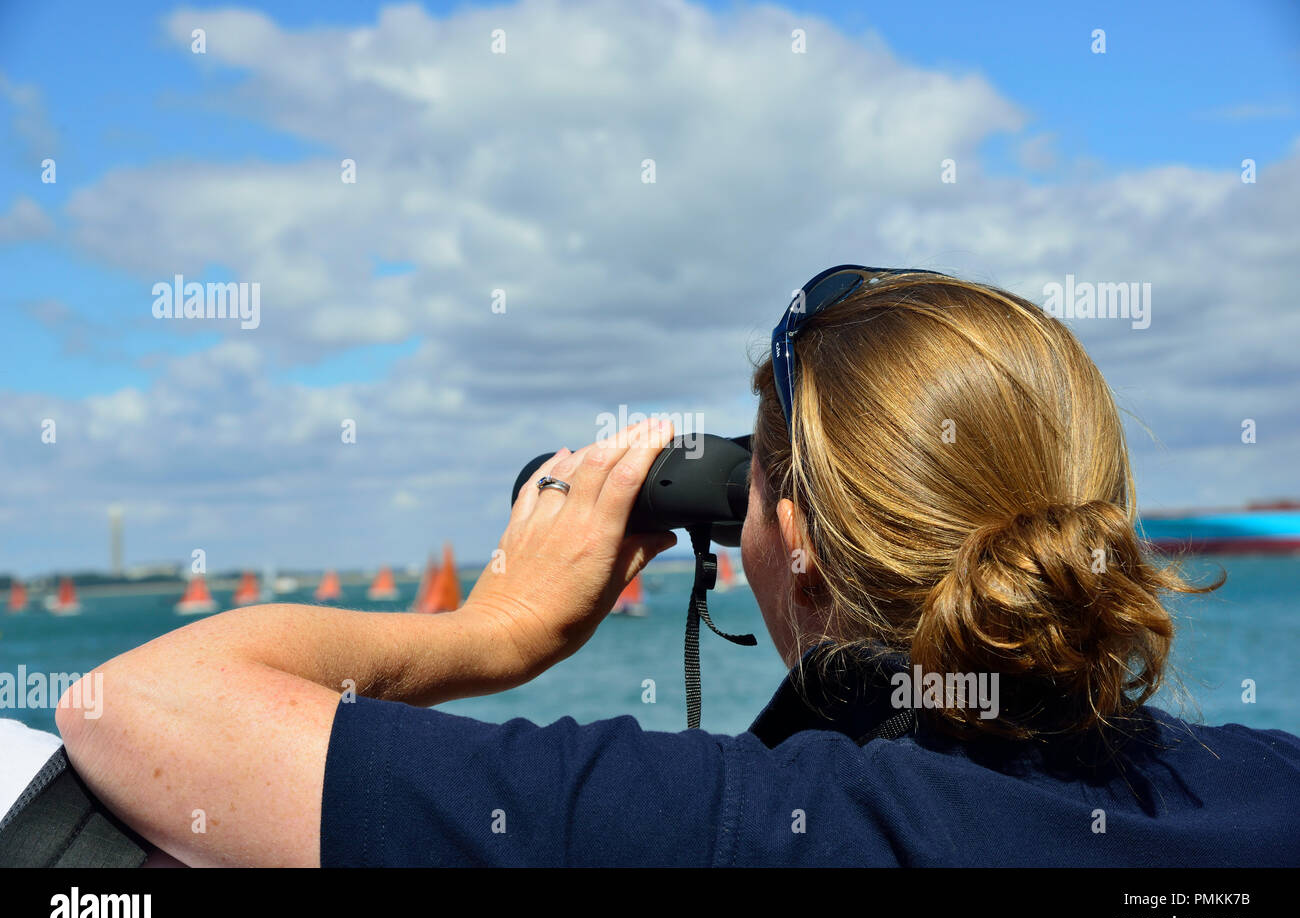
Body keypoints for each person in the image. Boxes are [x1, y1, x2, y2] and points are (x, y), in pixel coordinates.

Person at [55, 267, 1300, 866]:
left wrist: (495, 633)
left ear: (795, 543)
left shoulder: (752, 831)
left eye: (753, 477)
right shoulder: (1266, 786)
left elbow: (138, 710)